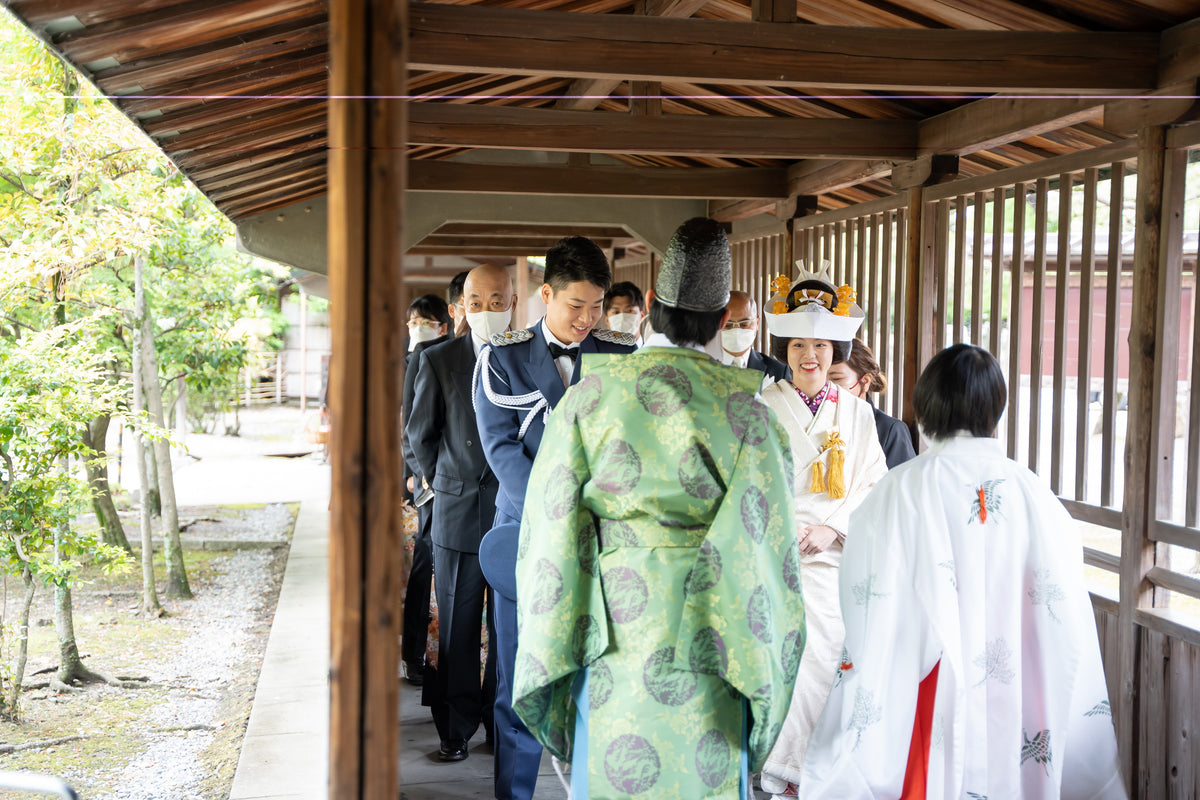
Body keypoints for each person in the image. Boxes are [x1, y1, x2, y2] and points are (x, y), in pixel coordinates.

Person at [510, 217, 805, 799]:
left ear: (647, 304)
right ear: (723, 321)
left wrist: (558, 643)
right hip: (716, 638)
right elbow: (769, 554)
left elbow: (549, 536)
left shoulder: (587, 399)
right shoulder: (751, 416)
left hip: (615, 623)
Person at [802, 344, 1124, 799]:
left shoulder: (903, 488)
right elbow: (1065, 609)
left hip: (930, 680)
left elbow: (866, 593)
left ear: (928, 403)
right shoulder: (1034, 494)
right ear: (996, 407)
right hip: (1019, 676)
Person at [474, 236, 636, 800]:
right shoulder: (502, 356)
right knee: (519, 676)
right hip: (528, 538)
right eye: (576, 307)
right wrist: (558, 509)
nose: (588, 319)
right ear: (546, 294)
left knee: (602, 675)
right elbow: (499, 450)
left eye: (598, 307)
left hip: (606, 542)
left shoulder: (624, 354)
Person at [756, 267, 889, 799]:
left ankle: (810, 772)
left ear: (836, 351)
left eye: (820, 345)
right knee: (783, 662)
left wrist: (832, 528)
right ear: (785, 349)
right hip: (774, 559)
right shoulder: (762, 408)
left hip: (833, 559)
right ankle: (787, 771)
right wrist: (788, 530)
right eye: (798, 345)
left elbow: (872, 485)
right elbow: (750, 485)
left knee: (826, 659)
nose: (808, 356)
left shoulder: (858, 414)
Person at [409, 266, 510, 762]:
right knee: (458, 625)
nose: (488, 311)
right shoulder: (439, 359)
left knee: (508, 627)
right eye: (477, 301)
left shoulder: (522, 355)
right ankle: (455, 728)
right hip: (456, 510)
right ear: (461, 307)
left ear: (513, 303)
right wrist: (447, 480)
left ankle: (498, 721)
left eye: (498, 301)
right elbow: (419, 435)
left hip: (510, 512)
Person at [400, 292, 454, 686]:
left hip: (459, 481)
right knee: (425, 561)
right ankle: (414, 653)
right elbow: (412, 429)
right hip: (432, 481)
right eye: (414, 321)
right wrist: (421, 475)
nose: (418, 327)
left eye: (425, 320)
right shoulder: (421, 358)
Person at [827, 339, 915, 469]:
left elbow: (904, 485)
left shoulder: (890, 430)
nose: (826, 387)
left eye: (836, 379)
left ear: (865, 381)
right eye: (821, 379)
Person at [721, 289, 790, 381]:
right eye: (728, 325)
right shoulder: (699, 367)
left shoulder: (779, 371)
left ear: (757, 323)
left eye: (744, 324)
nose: (736, 330)